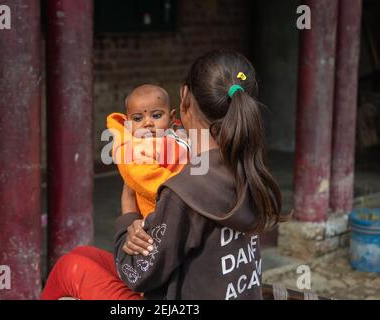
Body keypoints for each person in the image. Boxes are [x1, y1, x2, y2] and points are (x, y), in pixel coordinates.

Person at [41, 50, 286, 300]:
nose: (147, 124)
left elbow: (137, 275)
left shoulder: (183, 191)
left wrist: (128, 215)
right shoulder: (249, 169)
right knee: (84, 254)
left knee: (69, 268)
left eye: (155, 116)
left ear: (184, 100)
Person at [106, 84, 189, 218]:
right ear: (128, 124)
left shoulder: (179, 135)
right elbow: (153, 186)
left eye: (156, 116)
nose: (148, 123)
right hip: (158, 218)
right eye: (138, 118)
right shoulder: (135, 150)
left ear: (172, 117)